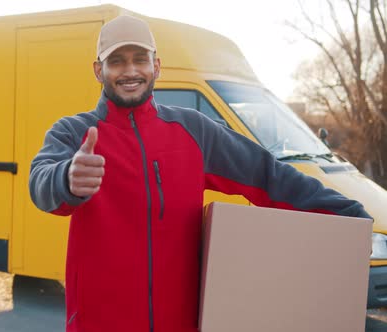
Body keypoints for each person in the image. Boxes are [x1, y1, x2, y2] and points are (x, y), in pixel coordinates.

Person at [28, 15, 371, 332]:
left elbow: (269, 176)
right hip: (98, 323)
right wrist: (66, 179)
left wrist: (349, 216)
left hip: (180, 323)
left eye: (139, 59)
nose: (129, 70)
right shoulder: (74, 132)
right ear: (98, 70)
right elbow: (39, 183)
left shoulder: (194, 131)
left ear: (156, 66)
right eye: (116, 61)